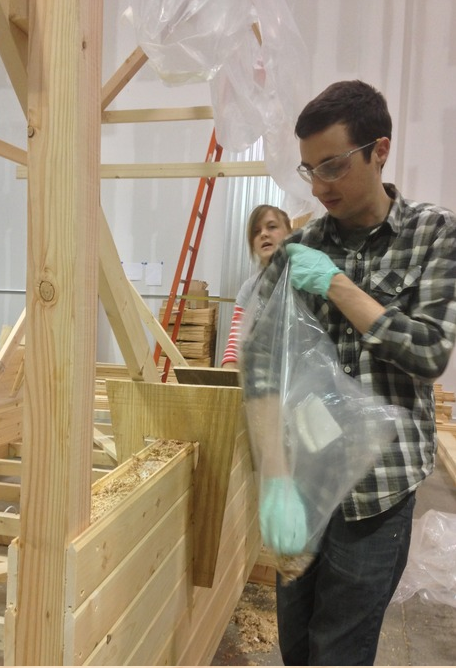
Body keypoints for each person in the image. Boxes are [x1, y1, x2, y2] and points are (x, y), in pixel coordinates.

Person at [241, 80, 456, 665]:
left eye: (332, 166)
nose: (318, 185)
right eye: (309, 170)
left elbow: (430, 353)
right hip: (307, 484)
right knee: (296, 645)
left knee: (339, 650)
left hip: (378, 492)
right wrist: (277, 480)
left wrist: (337, 285)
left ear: (379, 150)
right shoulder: (301, 245)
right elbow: (261, 368)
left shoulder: (433, 235)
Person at [221, 204, 292, 369]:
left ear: (290, 233)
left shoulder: (305, 279)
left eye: (272, 227)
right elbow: (234, 348)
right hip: (260, 384)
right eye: (256, 232)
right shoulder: (250, 288)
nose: (264, 234)